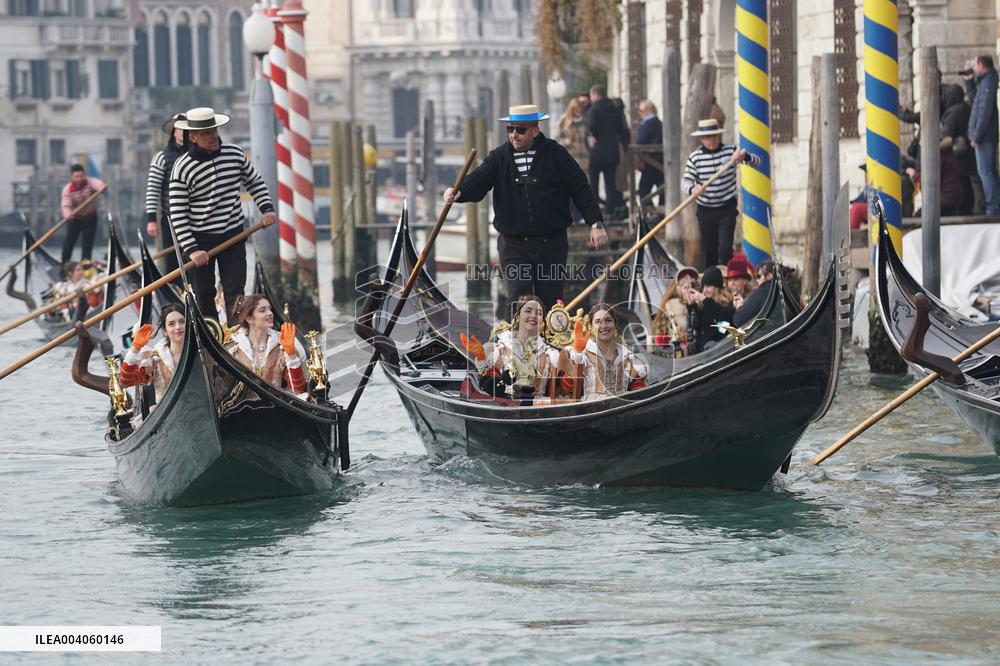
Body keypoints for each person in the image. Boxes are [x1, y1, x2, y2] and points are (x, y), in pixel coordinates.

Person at [443, 104, 606, 313]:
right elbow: (478, 181)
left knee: (551, 301)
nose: (514, 135)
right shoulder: (499, 157)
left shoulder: (556, 154)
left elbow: (580, 188)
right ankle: (517, 344)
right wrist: (458, 192)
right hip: (514, 245)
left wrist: (596, 223)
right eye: (510, 129)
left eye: (520, 130)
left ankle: (549, 343)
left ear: (535, 131)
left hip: (551, 243)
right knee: (519, 299)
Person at [168, 107, 277, 321]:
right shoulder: (182, 168)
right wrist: (191, 249)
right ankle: (213, 334)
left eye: (214, 131)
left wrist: (266, 209)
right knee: (204, 295)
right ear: (194, 137)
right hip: (199, 240)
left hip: (232, 234)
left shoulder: (234, 154)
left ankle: (237, 335)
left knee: (235, 292)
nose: (213, 136)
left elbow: (254, 181)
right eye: (207, 133)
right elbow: (177, 213)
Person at [682, 119, 762, 267]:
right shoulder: (695, 158)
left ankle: (728, 281)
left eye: (714, 136)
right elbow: (685, 182)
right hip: (705, 211)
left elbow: (757, 162)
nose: (711, 140)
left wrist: (745, 157)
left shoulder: (732, 152)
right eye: (707, 137)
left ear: (718, 136)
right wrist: (693, 189)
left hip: (727, 209)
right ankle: (712, 285)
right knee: (710, 251)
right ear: (701, 138)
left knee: (725, 250)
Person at [460, 295, 560, 400]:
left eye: (539, 313)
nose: (533, 316)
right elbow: (486, 377)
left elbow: (567, 378)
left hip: (539, 408)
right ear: (517, 317)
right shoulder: (501, 347)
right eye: (528, 311)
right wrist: (481, 357)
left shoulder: (550, 353)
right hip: (506, 405)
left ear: (543, 321)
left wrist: (576, 351)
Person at [562, 304, 648, 401]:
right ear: (590, 327)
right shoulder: (583, 355)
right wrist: (577, 352)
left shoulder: (627, 356)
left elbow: (638, 391)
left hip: (622, 410)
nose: (604, 326)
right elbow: (568, 388)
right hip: (592, 412)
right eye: (598, 322)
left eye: (608, 320)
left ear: (615, 324)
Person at [228, 294, 308, 394]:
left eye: (269, 309)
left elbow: (299, 390)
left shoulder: (282, 343)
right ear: (249, 318)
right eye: (262, 310)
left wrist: (291, 355)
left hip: (277, 406)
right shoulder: (234, 350)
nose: (270, 313)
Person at [144, 113, 187, 273]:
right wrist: (151, 220)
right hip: (171, 218)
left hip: (198, 219)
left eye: (186, 129)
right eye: (180, 129)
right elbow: (152, 189)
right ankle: (177, 291)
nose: (184, 132)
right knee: (173, 263)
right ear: (174, 132)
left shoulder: (198, 156)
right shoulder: (161, 157)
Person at [120, 303, 185, 406]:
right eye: (172, 324)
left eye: (182, 322)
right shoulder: (155, 359)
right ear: (165, 331)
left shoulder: (201, 352)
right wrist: (135, 349)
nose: (178, 327)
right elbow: (126, 381)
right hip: (168, 414)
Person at [587, 85, 629, 219]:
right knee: (610, 183)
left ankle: (594, 212)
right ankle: (610, 211)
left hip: (597, 152)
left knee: (593, 183)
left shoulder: (594, 110)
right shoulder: (615, 109)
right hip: (612, 152)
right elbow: (621, 130)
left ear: (595, 94)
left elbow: (592, 128)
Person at [964, 55, 999, 214]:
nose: (974, 68)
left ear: (982, 65)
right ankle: (992, 205)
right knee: (986, 171)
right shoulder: (985, 82)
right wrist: (969, 81)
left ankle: (993, 207)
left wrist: (976, 136)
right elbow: (976, 101)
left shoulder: (988, 82)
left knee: (985, 171)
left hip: (984, 137)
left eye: (975, 64)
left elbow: (984, 112)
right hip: (984, 136)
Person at [60, 165, 106, 264]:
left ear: (85, 175)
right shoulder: (67, 189)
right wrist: (68, 214)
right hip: (74, 219)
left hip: (90, 218)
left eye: (81, 176)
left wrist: (101, 187)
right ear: (72, 177)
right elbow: (65, 204)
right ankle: (64, 266)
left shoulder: (90, 182)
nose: (79, 179)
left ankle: (85, 267)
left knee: (87, 245)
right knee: (69, 244)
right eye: (76, 177)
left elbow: (98, 184)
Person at [683, 265, 735, 352]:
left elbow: (724, 322)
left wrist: (704, 300)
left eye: (709, 286)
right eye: (704, 286)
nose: (705, 290)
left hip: (721, 348)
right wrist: (691, 306)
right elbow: (693, 328)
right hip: (702, 351)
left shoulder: (726, 304)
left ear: (717, 287)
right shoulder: (703, 305)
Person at [652, 266, 698, 353]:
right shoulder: (672, 306)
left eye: (692, 286)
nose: (690, 290)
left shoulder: (701, 303)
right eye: (686, 288)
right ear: (679, 290)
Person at [635, 100, 665, 208]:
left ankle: (650, 211)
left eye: (641, 111)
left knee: (643, 188)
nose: (639, 113)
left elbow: (640, 143)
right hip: (660, 161)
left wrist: (638, 159)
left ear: (648, 111)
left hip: (650, 162)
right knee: (661, 188)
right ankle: (660, 213)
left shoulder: (648, 124)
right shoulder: (659, 123)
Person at [733, 260, 775, 327]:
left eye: (759, 276)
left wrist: (739, 307)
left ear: (769, 276)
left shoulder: (761, 293)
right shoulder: (790, 287)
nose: (757, 280)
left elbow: (738, 320)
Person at [557, 97, 590, 174]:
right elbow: (557, 140)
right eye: (576, 109)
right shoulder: (563, 121)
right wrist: (565, 142)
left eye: (580, 109)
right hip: (569, 158)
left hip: (584, 159)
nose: (579, 111)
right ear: (571, 109)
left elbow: (589, 137)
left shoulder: (585, 121)